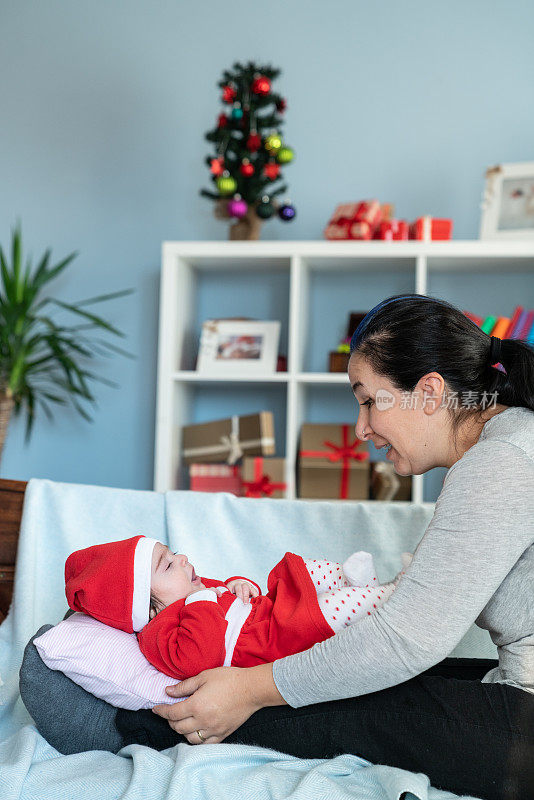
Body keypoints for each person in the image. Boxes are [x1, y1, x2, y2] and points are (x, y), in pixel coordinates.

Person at [20, 294, 534, 800]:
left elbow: (405, 641)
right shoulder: (505, 447)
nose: (362, 429)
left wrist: (247, 688)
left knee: (345, 704)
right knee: (353, 674)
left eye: (368, 401)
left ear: (428, 392)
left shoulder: (500, 464)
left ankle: (144, 726)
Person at [64, 536, 407, 681]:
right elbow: (198, 657)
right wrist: (200, 600)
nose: (182, 559)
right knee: (325, 610)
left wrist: (241, 585)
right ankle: (395, 593)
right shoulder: (157, 634)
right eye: (168, 565)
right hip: (269, 643)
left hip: (265, 612)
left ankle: (361, 585)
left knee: (302, 571)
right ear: (147, 609)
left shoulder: (193, 590)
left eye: (173, 553)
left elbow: (228, 592)